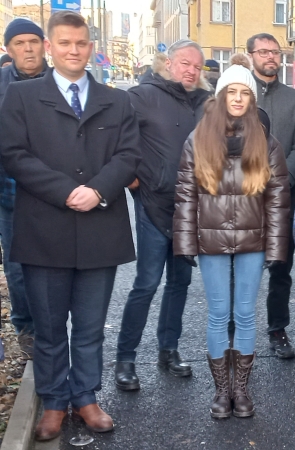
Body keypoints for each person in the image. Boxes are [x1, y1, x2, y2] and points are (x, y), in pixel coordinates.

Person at [0, 11, 140, 441]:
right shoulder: (21, 98)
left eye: (81, 44)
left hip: (100, 229)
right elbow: (14, 154)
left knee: (90, 326)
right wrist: (66, 191)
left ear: (91, 48)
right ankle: (54, 401)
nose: (73, 51)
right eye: (64, 44)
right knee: (48, 325)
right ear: (49, 47)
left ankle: (85, 396)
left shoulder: (116, 100)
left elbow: (129, 155)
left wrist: (97, 190)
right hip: (45, 228)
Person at [173, 65, 290, 419]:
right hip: (211, 240)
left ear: (252, 99)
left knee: (245, 314)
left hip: (253, 240)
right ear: (221, 96)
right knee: (218, 314)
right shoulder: (197, 138)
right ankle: (221, 391)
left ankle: (242, 388)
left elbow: (278, 198)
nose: (238, 99)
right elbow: (185, 194)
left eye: (245, 93)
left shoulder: (266, 140)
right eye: (232, 92)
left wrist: (276, 248)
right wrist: (185, 243)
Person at [114, 39, 210, 391]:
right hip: (153, 203)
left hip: (190, 209)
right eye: (185, 63)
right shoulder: (141, 96)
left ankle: (168, 350)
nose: (191, 70)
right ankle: (125, 358)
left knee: (180, 283)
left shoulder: (203, 102)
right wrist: (132, 177)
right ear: (167, 63)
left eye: (197, 67)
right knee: (146, 283)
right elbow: (119, 140)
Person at [248, 32, 295, 359]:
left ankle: (278, 330)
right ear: (251, 55)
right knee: (242, 270)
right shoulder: (240, 96)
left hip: (285, 198)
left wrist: (284, 178)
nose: (271, 57)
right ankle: (237, 337)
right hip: (243, 201)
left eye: (275, 52)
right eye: (264, 51)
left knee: (281, 269)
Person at [0, 17, 49, 360]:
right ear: (8, 49)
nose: (28, 48)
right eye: (20, 43)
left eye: (33, 41)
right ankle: (27, 327)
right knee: (17, 267)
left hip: (53, 193)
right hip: (10, 194)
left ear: (44, 45)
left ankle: (53, 327)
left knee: (55, 266)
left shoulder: (61, 81)